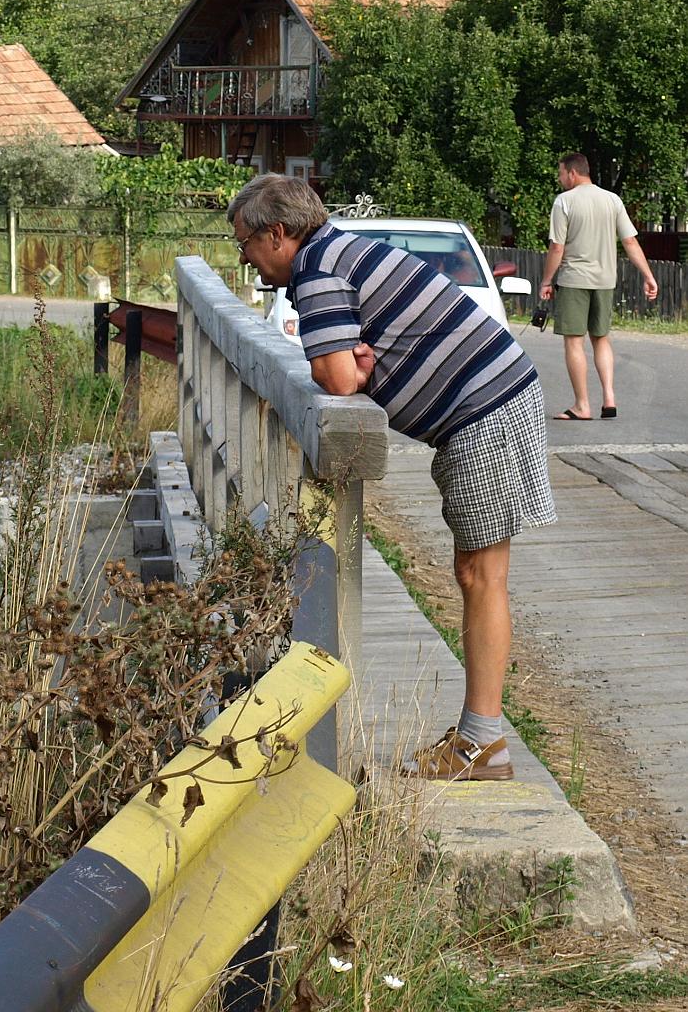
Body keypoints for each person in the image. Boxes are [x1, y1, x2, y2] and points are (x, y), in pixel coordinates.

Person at [227, 174, 557, 781]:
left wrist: (351, 368)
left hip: (485, 410)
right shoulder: (336, 251)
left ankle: (482, 744)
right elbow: (342, 367)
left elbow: (336, 378)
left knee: (482, 575)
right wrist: (348, 363)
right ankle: (481, 738)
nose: (244, 256)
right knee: (478, 572)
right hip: (491, 402)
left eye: (244, 241)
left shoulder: (317, 270)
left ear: (276, 233)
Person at [539, 152, 658, 420]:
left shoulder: (564, 201)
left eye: (561, 173)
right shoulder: (612, 200)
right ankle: (609, 398)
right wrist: (648, 275)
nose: (559, 179)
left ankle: (582, 406)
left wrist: (546, 280)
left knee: (574, 342)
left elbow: (557, 247)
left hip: (574, 280)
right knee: (601, 338)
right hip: (605, 281)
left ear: (572, 173)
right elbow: (630, 242)